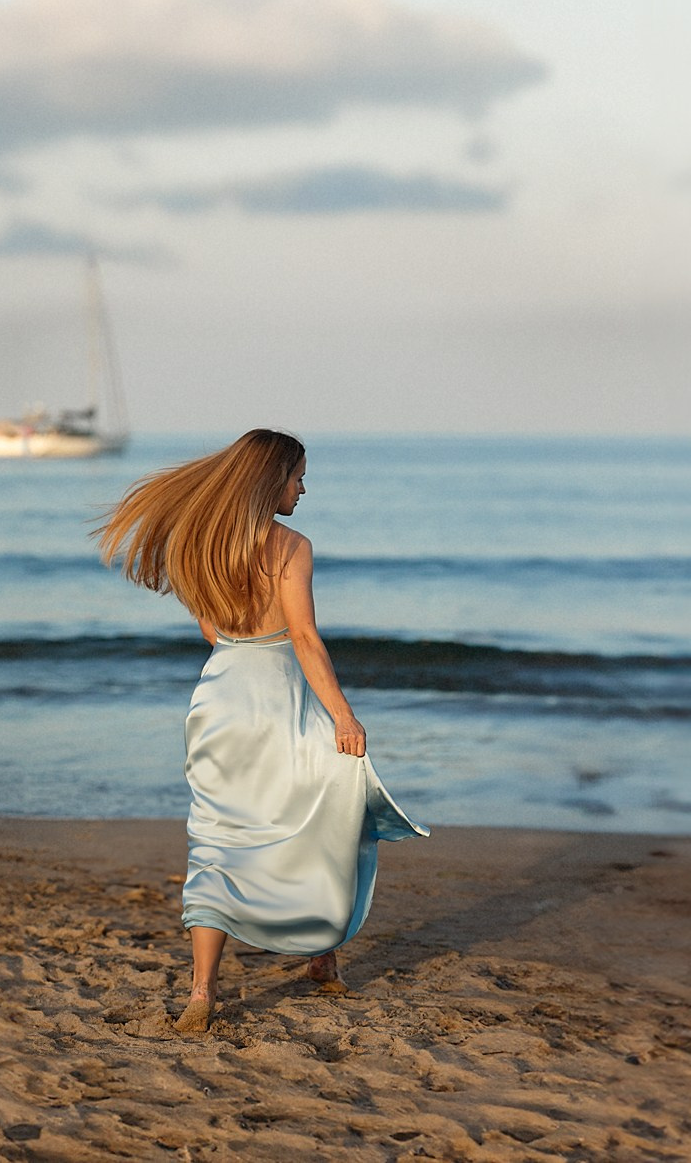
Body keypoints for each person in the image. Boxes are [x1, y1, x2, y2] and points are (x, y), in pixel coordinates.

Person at [96, 428, 425, 1034]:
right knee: (323, 816)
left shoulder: (198, 547)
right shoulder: (291, 546)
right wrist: (344, 716)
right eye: (298, 477)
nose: (304, 488)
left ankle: (202, 994)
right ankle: (321, 957)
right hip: (281, 700)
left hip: (219, 701)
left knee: (218, 840)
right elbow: (303, 638)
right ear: (271, 481)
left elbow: (213, 635)